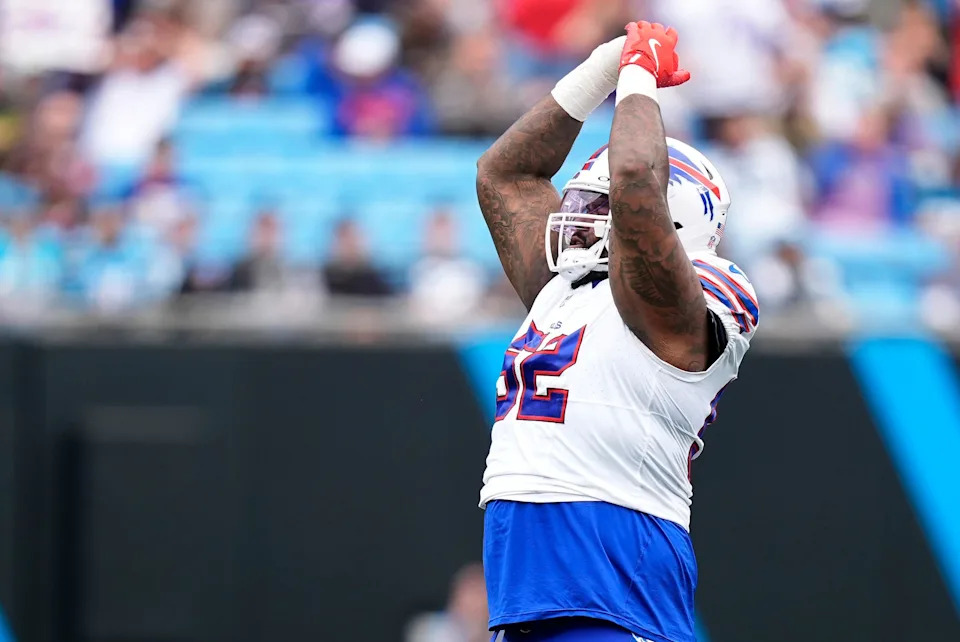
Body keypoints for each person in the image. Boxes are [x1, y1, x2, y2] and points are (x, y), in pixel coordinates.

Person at [475, 21, 759, 642]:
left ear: (674, 222)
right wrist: (602, 69)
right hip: (532, 594)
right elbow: (506, 177)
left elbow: (635, 181)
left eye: (597, 209)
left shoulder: (699, 301)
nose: (578, 220)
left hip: (613, 581)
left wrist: (639, 78)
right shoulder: (566, 291)